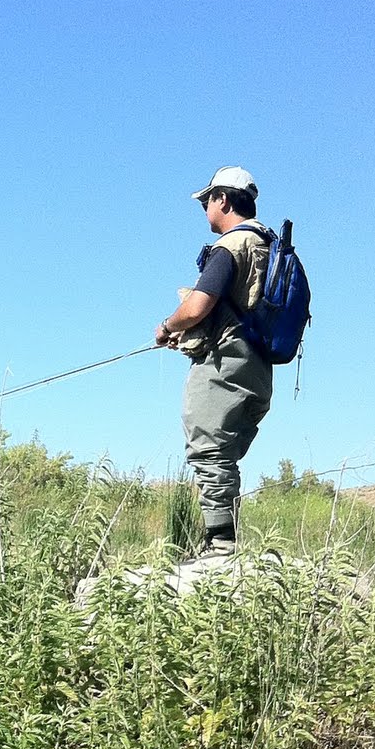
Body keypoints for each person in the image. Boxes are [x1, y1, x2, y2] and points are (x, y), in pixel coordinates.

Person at [155, 165, 273, 556]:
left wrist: (168, 326)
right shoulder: (269, 245)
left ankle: (220, 545)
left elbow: (198, 305)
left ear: (223, 199)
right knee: (225, 453)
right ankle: (224, 538)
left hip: (225, 363)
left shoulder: (231, 246)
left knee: (208, 448)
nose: (205, 207)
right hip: (258, 367)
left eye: (207, 200)